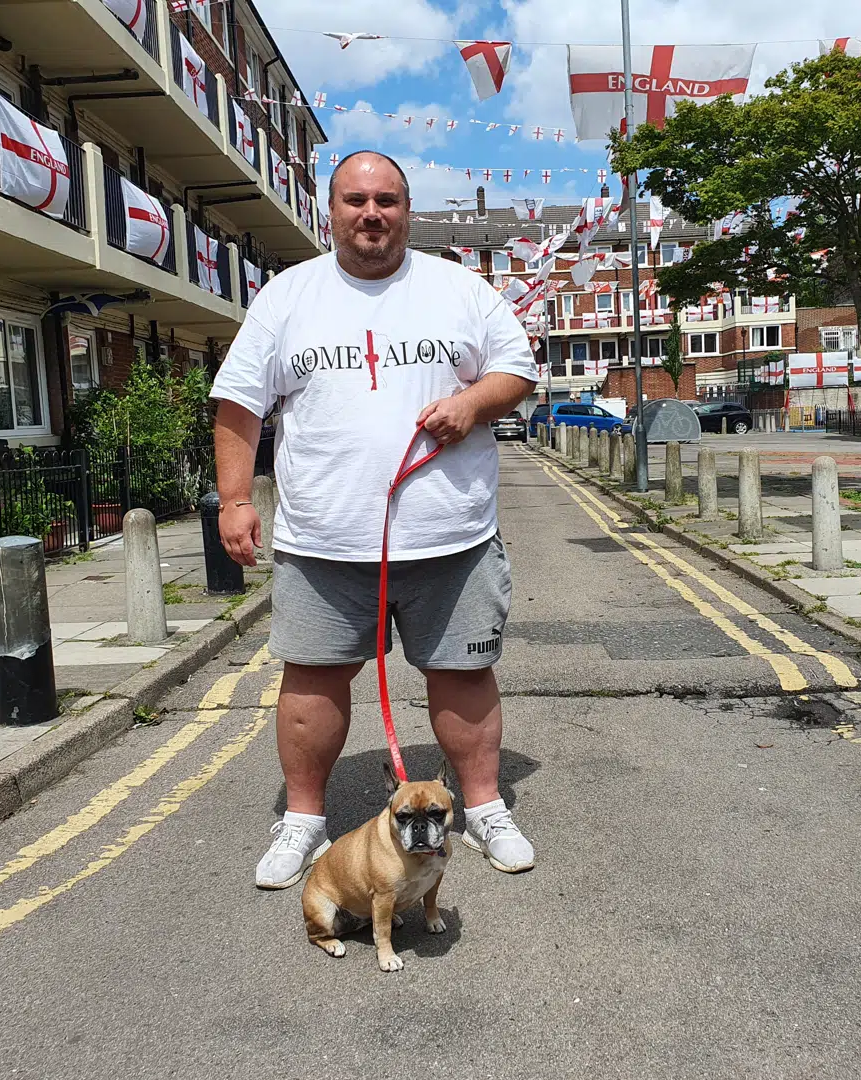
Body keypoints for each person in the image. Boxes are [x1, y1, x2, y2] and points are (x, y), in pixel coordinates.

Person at [209, 150, 539, 890]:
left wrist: (471, 404)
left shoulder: (459, 289)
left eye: (386, 200)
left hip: (450, 536)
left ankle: (484, 807)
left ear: (406, 209)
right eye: (356, 199)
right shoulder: (288, 297)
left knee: (464, 673)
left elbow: (516, 370)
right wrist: (234, 500)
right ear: (329, 210)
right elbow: (238, 405)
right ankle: (302, 820)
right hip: (323, 541)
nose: (371, 214)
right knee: (312, 680)